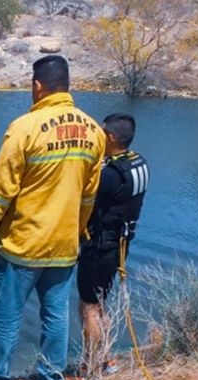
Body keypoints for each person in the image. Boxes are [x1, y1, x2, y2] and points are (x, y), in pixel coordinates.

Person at [0, 55, 106, 380]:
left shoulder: (24, 128)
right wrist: (76, 232)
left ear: (37, 86)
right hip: (63, 246)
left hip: (23, 244)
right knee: (55, 316)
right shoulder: (93, 131)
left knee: (7, 315)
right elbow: (89, 196)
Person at [76, 113, 149, 367]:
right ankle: (106, 358)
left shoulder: (110, 174)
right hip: (120, 243)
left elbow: (85, 203)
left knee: (88, 308)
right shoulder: (138, 162)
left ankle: (90, 366)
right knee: (99, 303)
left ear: (110, 136)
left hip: (100, 245)